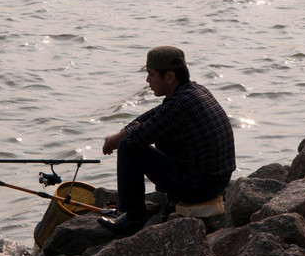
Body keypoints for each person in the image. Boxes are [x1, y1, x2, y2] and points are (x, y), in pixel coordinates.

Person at [97, 46, 236, 235]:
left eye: (151, 75)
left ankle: (133, 217)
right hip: (217, 181)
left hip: (201, 188)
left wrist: (120, 138)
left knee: (129, 147)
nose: (147, 81)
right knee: (147, 132)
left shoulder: (180, 104)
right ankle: (167, 199)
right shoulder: (194, 91)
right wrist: (121, 131)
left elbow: (136, 138)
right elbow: (155, 114)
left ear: (169, 77)